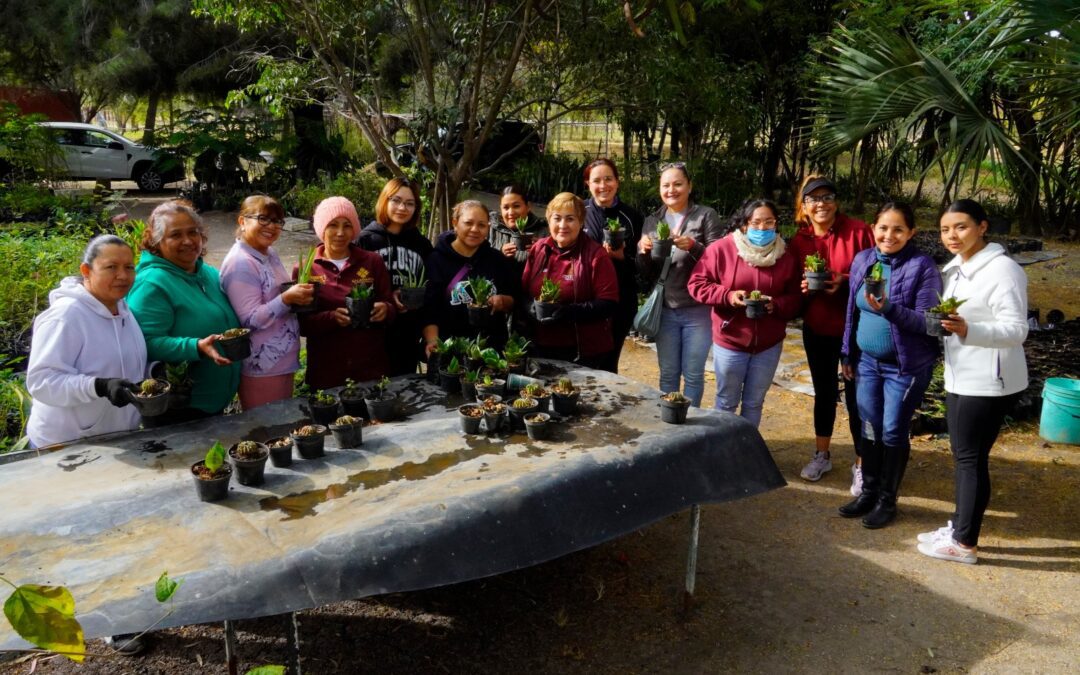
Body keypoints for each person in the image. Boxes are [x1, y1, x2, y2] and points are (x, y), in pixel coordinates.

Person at [917, 199, 1028, 564]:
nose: (952, 235)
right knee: (966, 456)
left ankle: (964, 543)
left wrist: (969, 329)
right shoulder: (958, 268)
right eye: (946, 229)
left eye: (961, 227)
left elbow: (1017, 329)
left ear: (982, 227)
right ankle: (961, 527)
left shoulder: (1002, 270)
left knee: (970, 459)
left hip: (987, 380)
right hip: (961, 374)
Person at [839, 202, 941, 529]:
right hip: (866, 362)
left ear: (911, 232)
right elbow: (851, 314)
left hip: (904, 366)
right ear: (873, 229)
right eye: (883, 228)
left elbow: (929, 322)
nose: (889, 235)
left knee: (893, 429)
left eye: (898, 229)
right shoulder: (864, 260)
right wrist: (847, 354)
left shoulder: (921, 266)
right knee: (869, 425)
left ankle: (887, 499)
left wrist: (889, 309)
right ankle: (868, 492)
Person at [789, 176, 875, 491]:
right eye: (813, 199)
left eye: (827, 197)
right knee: (824, 393)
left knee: (857, 399)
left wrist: (846, 280)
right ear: (804, 206)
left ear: (836, 201)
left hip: (856, 330)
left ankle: (861, 463)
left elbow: (877, 273)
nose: (821, 204)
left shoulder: (859, 231)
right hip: (818, 327)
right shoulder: (800, 241)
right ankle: (822, 454)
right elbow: (791, 287)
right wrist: (801, 291)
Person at [687, 199, 801, 426]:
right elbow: (696, 284)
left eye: (769, 222)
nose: (762, 228)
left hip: (768, 345)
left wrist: (775, 305)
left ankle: (748, 455)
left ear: (776, 224)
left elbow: (797, 297)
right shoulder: (722, 249)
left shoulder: (785, 256)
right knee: (726, 402)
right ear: (744, 225)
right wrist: (728, 296)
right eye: (756, 222)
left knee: (754, 402)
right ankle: (724, 454)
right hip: (731, 341)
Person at [25, 234, 146, 448]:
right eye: (111, 267)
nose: (122, 275)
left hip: (116, 439)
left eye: (129, 267)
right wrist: (98, 386)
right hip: (67, 446)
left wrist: (153, 372)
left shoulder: (123, 309)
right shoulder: (65, 316)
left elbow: (123, 359)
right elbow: (42, 382)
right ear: (86, 271)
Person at [127, 201, 241, 423]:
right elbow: (144, 342)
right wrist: (195, 346)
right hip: (180, 410)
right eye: (175, 235)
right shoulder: (152, 283)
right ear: (156, 241)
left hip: (212, 406)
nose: (188, 241)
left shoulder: (206, 273)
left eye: (193, 232)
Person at [638, 162, 724, 406]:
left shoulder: (705, 215)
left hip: (697, 310)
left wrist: (695, 247)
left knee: (694, 375)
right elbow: (646, 272)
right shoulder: (652, 221)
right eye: (666, 185)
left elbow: (719, 262)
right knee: (668, 373)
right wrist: (642, 252)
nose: (671, 190)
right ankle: (670, 422)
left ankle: (691, 423)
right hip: (665, 309)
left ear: (689, 186)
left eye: (678, 184)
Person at [219, 195, 313, 410]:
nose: (271, 226)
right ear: (242, 221)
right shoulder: (241, 263)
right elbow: (249, 319)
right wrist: (286, 299)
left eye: (277, 221)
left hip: (281, 361)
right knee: (267, 432)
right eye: (263, 219)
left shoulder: (268, 253)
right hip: (262, 365)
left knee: (282, 427)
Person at [300, 196, 395, 389]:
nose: (340, 233)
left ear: (355, 230)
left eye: (347, 226)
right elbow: (301, 325)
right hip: (326, 371)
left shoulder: (372, 261)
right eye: (333, 225)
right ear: (321, 229)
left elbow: (390, 306)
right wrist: (331, 318)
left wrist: (385, 309)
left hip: (370, 367)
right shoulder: (307, 268)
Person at [522, 192, 619, 369]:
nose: (562, 225)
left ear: (581, 222)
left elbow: (608, 304)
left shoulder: (596, 255)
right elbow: (523, 292)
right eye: (557, 218)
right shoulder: (539, 249)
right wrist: (531, 308)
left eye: (570, 219)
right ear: (549, 221)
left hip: (583, 353)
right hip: (540, 347)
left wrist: (567, 312)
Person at [356, 177, 432, 375]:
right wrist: (388, 296)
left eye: (409, 203)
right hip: (371, 334)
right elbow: (353, 287)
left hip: (407, 335)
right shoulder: (365, 241)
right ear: (384, 201)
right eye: (396, 200)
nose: (402, 208)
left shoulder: (421, 244)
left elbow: (429, 285)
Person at [423, 200, 519, 352]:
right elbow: (430, 310)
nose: (475, 229)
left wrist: (503, 301)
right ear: (455, 223)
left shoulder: (496, 259)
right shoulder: (436, 260)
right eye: (468, 223)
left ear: (488, 228)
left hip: (492, 351)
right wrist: (433, 342)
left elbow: (514, 298)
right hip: (451, 350)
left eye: (481, 225)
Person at [583, 158, 643, 373]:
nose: (603, 186)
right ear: (588, 184)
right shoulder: (579, 212)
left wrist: (621, 257)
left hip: (620, 300)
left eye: (608, 179)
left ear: (617, 182)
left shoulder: (632, 217)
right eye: (596, 180)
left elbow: (642, 267)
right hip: (584, 299)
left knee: (609, 362)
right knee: (584, 360)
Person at [488, 184, 547, 273]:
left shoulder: (544, 232)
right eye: (506, 208)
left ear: (528, 207)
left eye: (516, 206)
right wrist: (499, 255)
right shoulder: (489, 227)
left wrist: (541, 254)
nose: (511, 212)